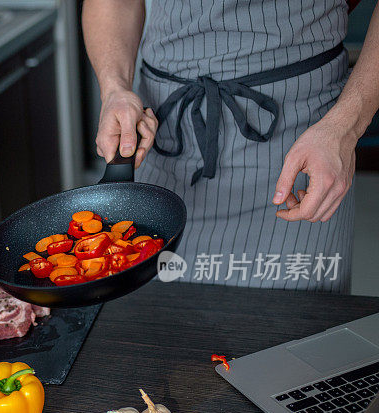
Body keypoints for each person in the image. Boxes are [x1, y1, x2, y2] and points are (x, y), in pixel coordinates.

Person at [83, 0, 379, 292]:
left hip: (302, 142)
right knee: (159, 325)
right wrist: (115, 89)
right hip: (166, 137)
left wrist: (344, 127)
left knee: (297, 330)